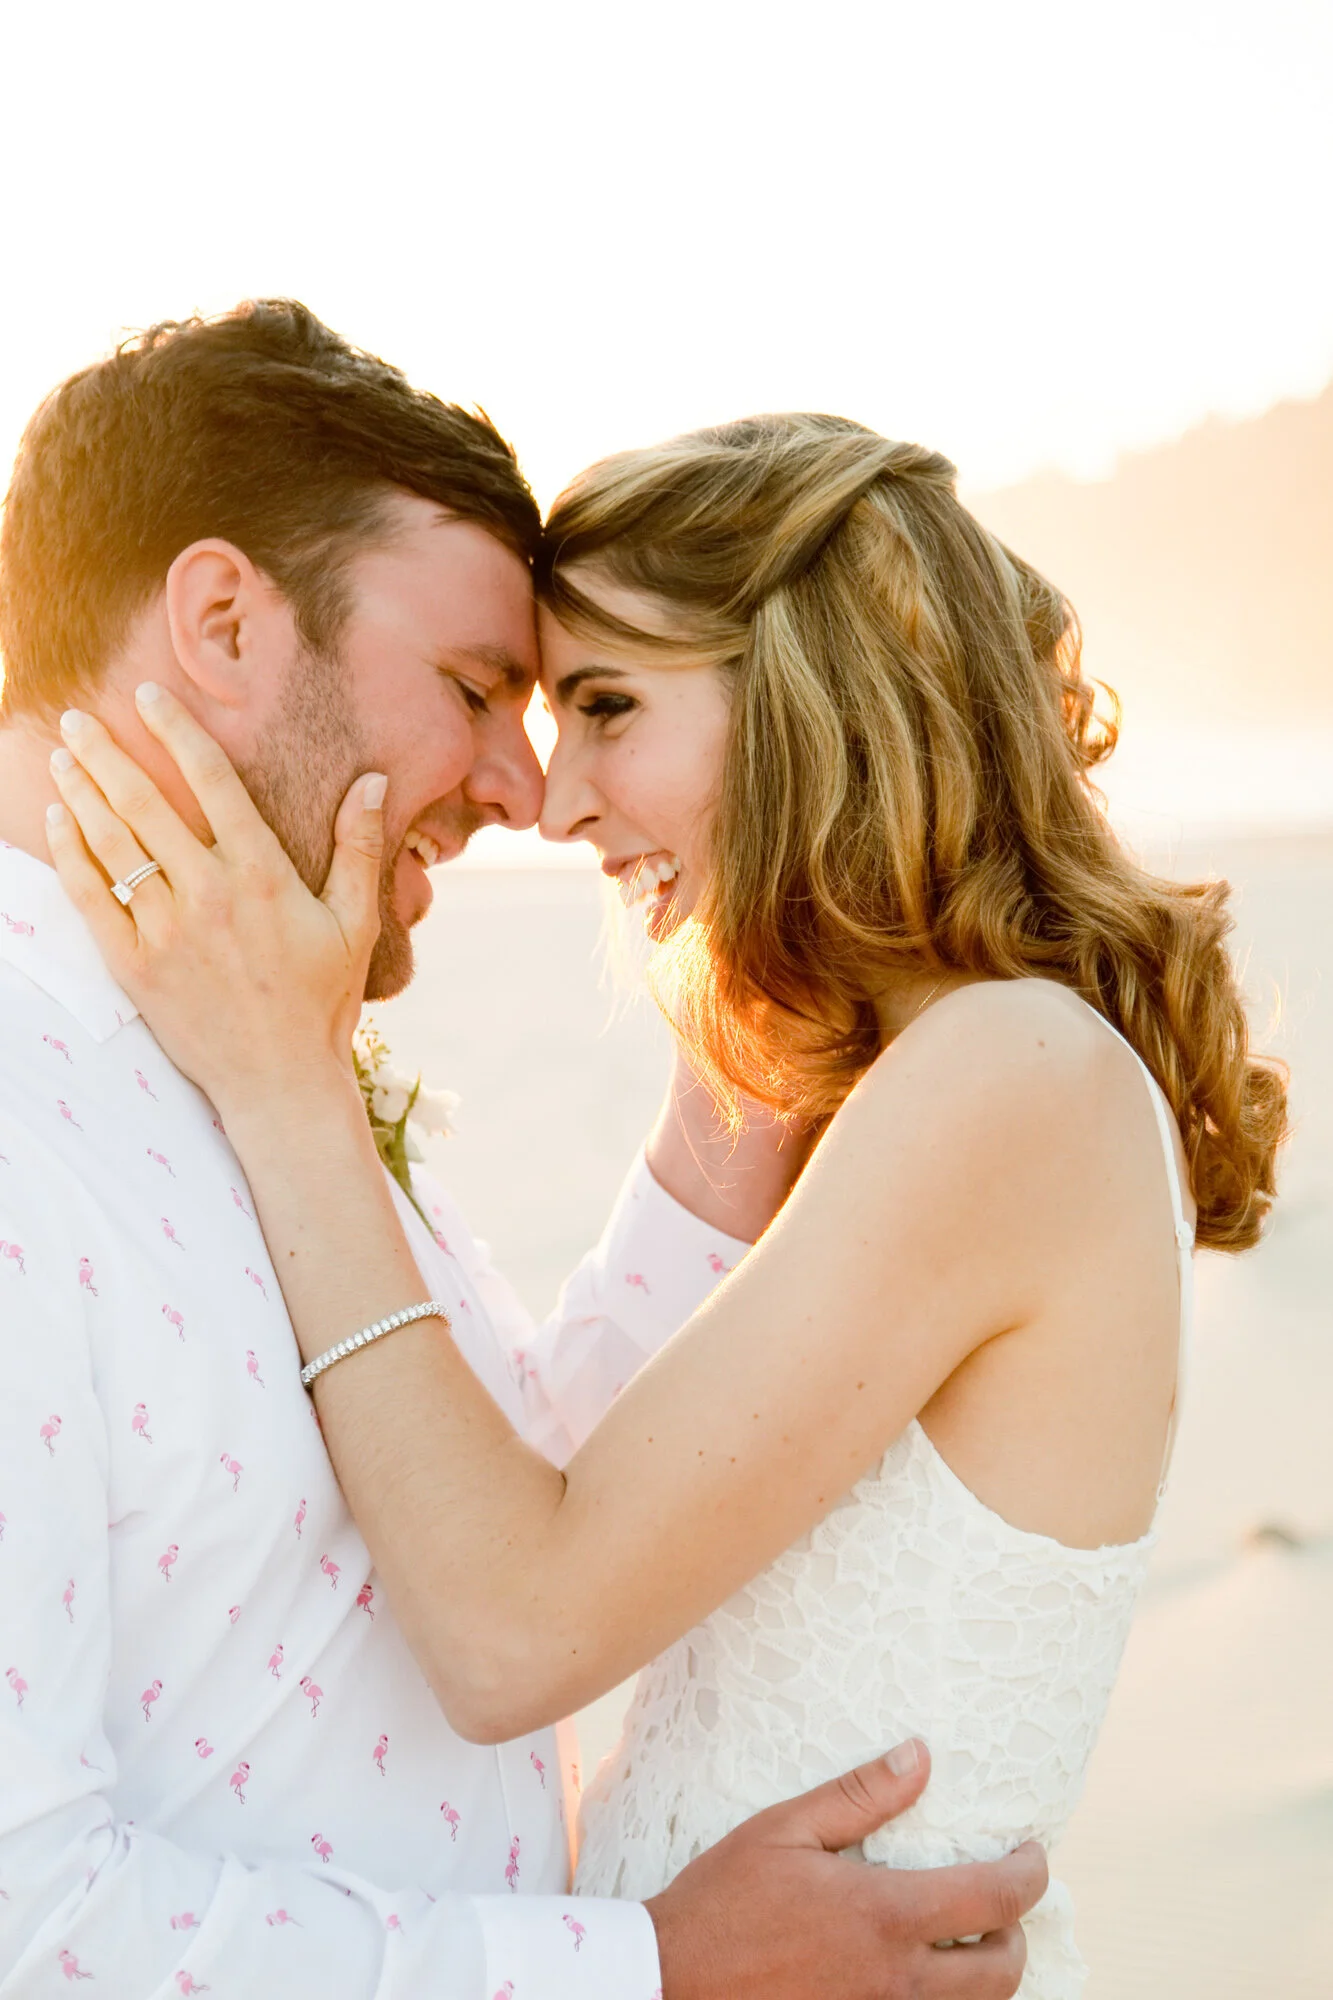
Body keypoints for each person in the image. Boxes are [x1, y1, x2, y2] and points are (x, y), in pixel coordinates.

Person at [41, 410, 1291, 1995]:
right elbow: (585, 1507)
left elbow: (513, 1627)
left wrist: (287, 1089)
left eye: (609, 707)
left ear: (815, 696)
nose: (556, 807)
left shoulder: (1011, 1082)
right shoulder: (916, 1085)